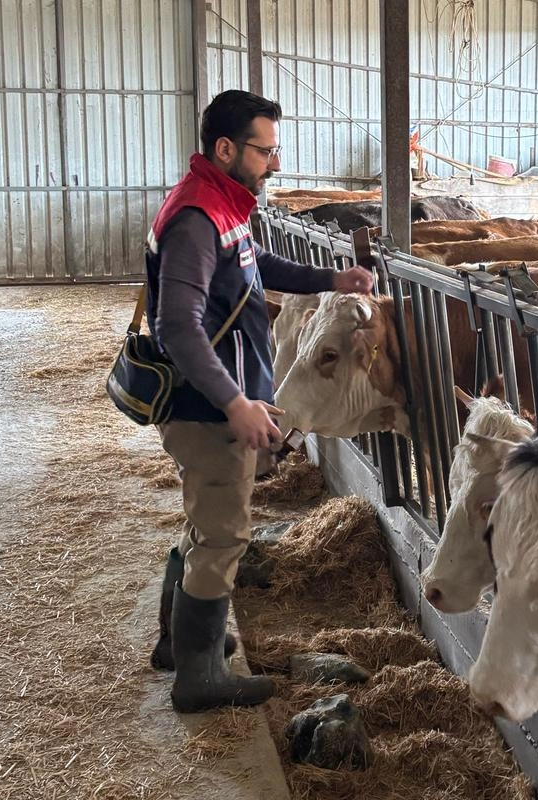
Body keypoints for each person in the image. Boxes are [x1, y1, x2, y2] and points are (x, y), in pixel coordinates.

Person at [143, 89, 374, 713]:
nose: (274, 163)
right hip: (205, 408)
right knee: (223, 535)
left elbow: (254, 264)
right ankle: (200, 678)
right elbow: (177, 326)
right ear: (226, 148)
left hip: (213, 400)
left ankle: (178, 644)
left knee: (206, 522)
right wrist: (234, 403)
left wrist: (331, 279)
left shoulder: (220, 204)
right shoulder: (196, 218)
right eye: (264, 151)